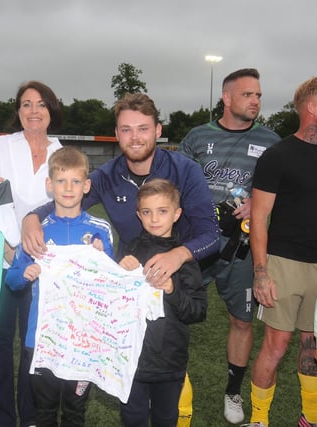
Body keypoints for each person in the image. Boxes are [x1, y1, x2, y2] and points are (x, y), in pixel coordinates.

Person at [21, 93, 219, 426]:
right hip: (133, 281)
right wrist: (30, 217)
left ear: (158, 130)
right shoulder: (109, 175)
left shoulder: (185, 170)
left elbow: (211, 234)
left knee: (170, 374)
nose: (135, 137)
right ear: (116, 133)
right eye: (126, 130)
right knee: (135, 386)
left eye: (143, 128)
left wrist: (177, 255)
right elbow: (68, 198)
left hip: (179, 278)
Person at [178, 68, 280, 424]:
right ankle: (174, 385)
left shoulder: (271, 141)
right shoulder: (197, 136)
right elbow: (177, 185)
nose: (256, 101)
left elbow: (285, 189)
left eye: (258, 95)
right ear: (227, 98)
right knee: (174, 315)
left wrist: (260, 202)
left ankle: (233, 392)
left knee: (241, 319)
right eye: (248, 94)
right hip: (195, 244)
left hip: (242, 249)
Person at [0, 80, 64, 427]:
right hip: (1, 258)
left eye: (40, 104)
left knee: (35, 345)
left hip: (42, 265)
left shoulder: (62, 152)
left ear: (51, 111)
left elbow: (64, 205)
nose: (33, 111)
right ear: (18, 111)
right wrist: (10, 249)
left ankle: (31, 416)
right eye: (26, 104)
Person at [5, 146, 114, 426]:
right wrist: (26, 273)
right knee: (44, 412)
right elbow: (12, 280)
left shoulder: (100, 230)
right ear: (49, 185)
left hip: (83, 339)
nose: (68, 188)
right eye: (61, 181)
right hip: (41, 339)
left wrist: (103, 258)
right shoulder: (37, 230)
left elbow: (111, 283)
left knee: (76, 412)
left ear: (86, 186)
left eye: (76, 181)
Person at [247, 76, 317, 427]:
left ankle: (311, 414)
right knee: (277, 345)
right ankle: (259, 418)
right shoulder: (277, 155)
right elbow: (259, 217)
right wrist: (261, 272)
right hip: (284, 262)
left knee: (315, 344)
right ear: (313, 107)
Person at [117, 178, 207, 427]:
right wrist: (121, 271)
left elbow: (198, 311)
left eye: (162, 211)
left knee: (165, 419)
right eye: (147, 212)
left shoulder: (184, 257)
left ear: (177, 214)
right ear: (138, 215)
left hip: (170, 361)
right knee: (132, 418)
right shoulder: (129, 251)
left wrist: (172, 289)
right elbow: (112, 303)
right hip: (132, 358)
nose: (154, 218)